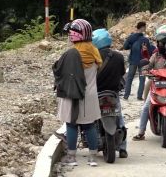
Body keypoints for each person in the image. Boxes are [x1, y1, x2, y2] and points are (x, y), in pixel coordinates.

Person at [53, 19, 102, 167]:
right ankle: (93, 158)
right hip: (90, 96)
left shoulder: (71, 54)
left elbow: (58, 71)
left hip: (72, 95)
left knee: (72, 125)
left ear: (75, 35)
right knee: (89, 126)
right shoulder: (94, 51)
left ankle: (71, 157)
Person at [92, 28, 128, 158]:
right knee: (119, 117)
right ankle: (123, 148)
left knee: (92, 118)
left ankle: (94, 143)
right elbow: (122, 73)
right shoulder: (118, 56)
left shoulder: (93, 57)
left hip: (96, 94)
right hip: (113, 94)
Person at [123, 22, 154, 100]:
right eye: (145, 27)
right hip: (142, 61)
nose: (145, 28)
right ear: (142, 27)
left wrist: (132, 46)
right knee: (142, 78)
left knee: (130, 78)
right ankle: (139, 96)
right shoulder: (145, 40)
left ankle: (126, 96)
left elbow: (125, 47)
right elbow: (149, 52)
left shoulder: (131, 37)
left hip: (133, 60)